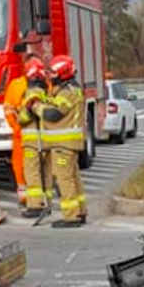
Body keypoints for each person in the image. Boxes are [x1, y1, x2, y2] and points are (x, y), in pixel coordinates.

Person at [42, 55, 87, 228]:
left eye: (53, 72)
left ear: (62, 73)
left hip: (63, 145)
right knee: (73, 178)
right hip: (70, 144)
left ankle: (71, 216)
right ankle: (80, 210)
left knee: (64, 180)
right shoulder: (72, 89)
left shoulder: (66, 93)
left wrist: (37, 107)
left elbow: (53, 114)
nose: (50, 76)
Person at [2, 52, 43, 209]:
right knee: (20, 167)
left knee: (39, 168)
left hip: (41, 136)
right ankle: (26, 197)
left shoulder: (46, 84)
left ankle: (38, 199)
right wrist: (17, 127)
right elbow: (9, 110)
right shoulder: (16, 85)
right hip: (22, 135)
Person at [15, 58, 52, 218]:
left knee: (32, 173)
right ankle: (46, 203)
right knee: (46, 173)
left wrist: (20, 112)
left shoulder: (31, 93)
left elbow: (24, 118)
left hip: (32, 142)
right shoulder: (46, 91)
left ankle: (35, 206)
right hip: (45, 140)